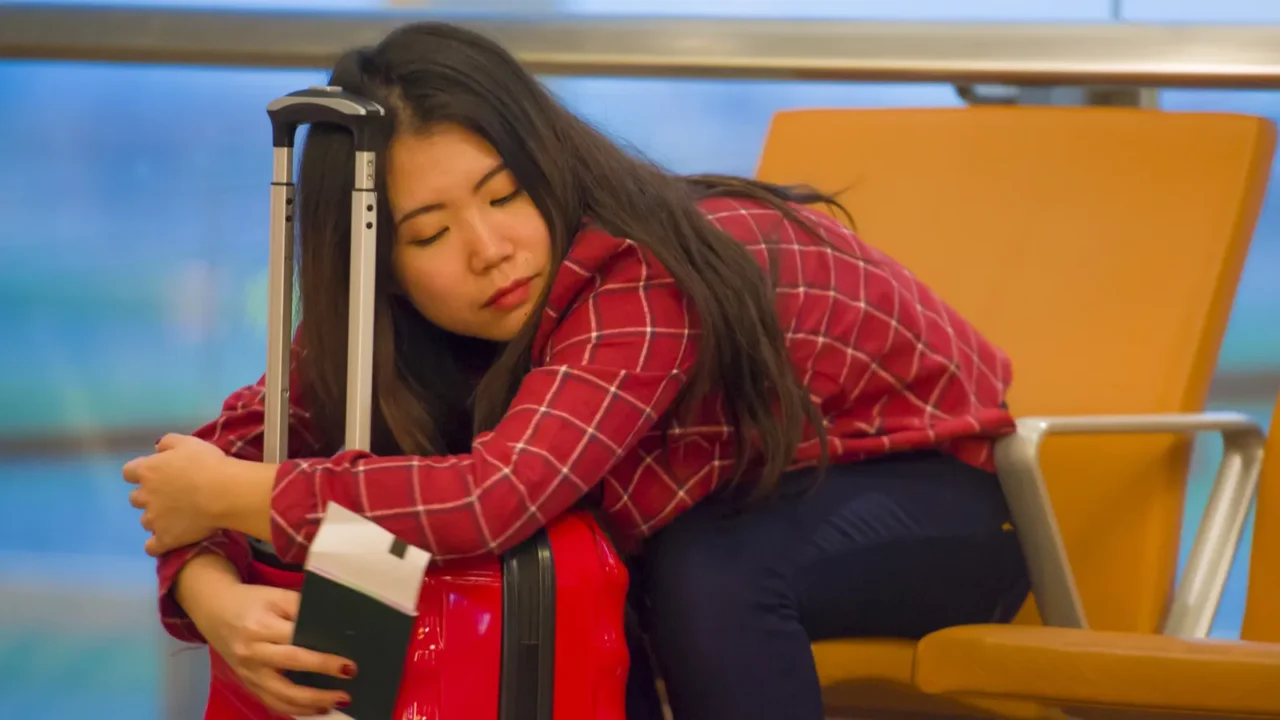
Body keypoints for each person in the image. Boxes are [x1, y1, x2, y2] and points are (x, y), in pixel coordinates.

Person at [123, 20, 1030, 720]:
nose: (489, 248)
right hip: (725, 505)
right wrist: (214, 599)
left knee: (696, 571)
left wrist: (234, 497)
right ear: (381, 269)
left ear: (547, 166)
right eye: (429, 234)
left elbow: (491, 497)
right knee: (576, 563)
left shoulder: (647, 273)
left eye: (506, 194)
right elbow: (209, 466)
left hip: (940, 502)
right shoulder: (388, 323)